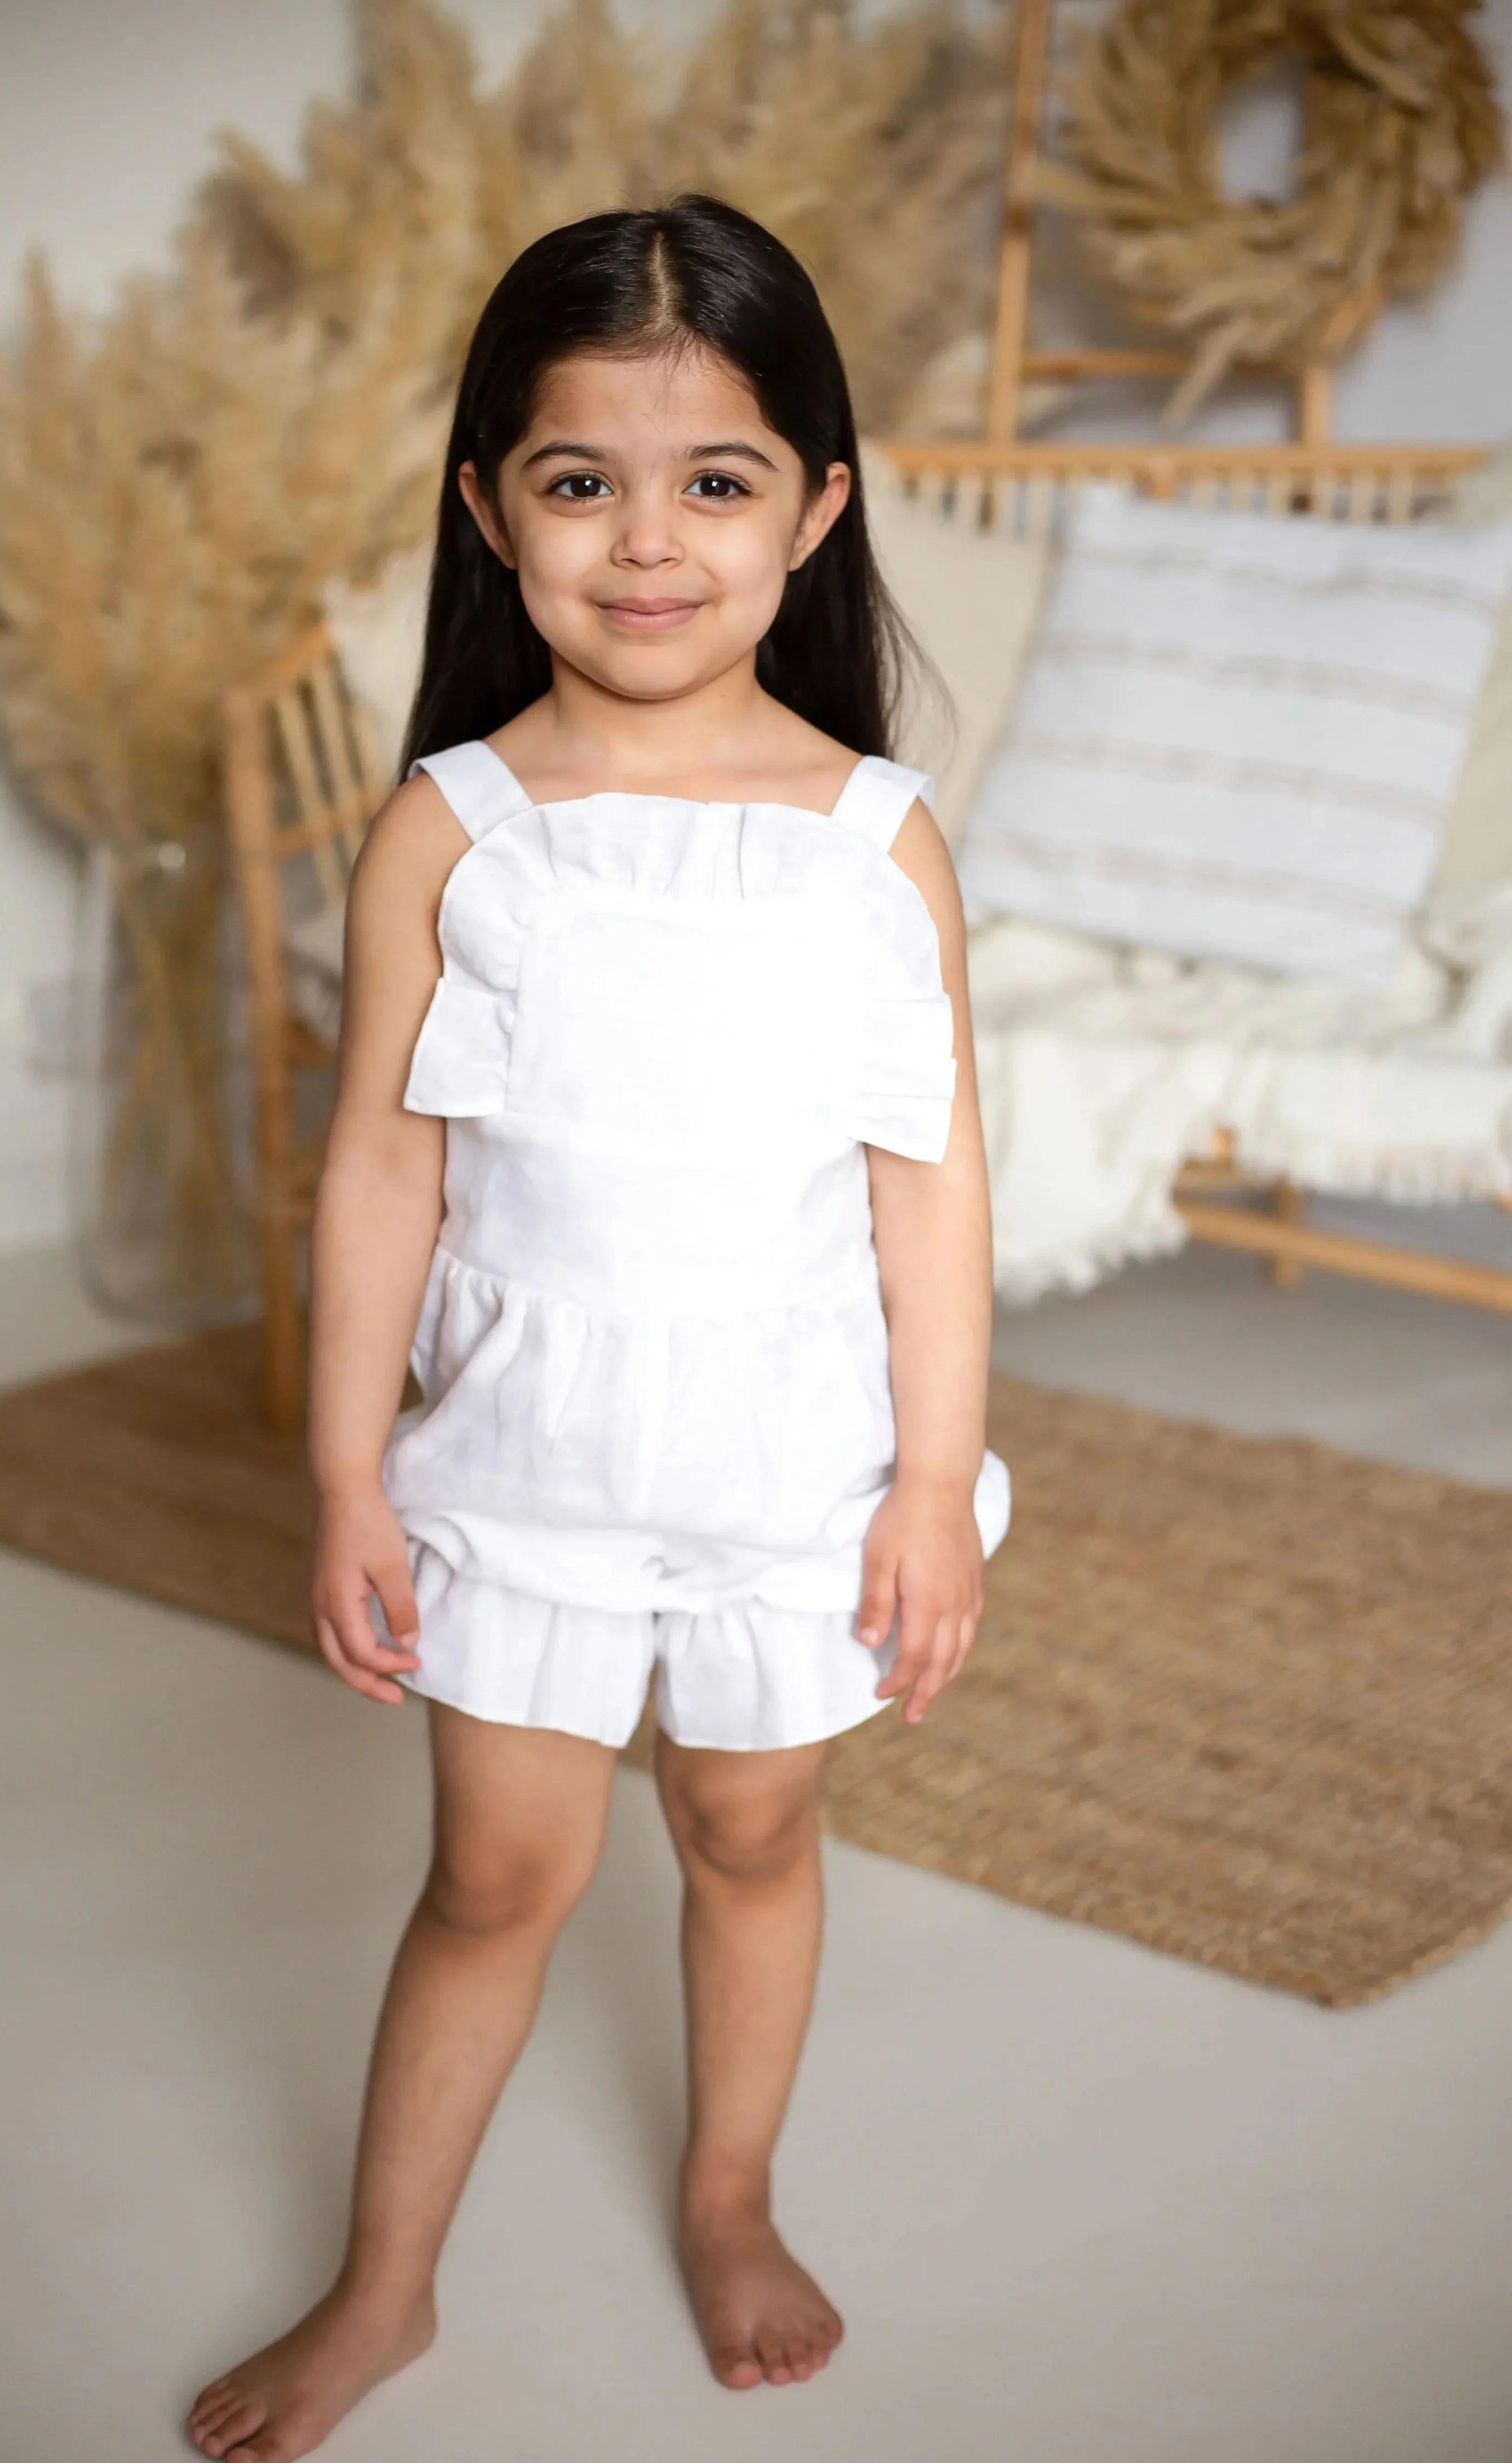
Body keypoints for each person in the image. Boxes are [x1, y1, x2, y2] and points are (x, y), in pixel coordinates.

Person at [187, 192, 1008, 2463]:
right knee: (494, 1874)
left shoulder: (870, 836)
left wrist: (930, 1484)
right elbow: (379, 1162)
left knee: (748, 1833)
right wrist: (352, 1465)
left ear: (815, 507)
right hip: (528, 1456)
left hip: (784, 1462)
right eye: (579, 478)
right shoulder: (451, 827)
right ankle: (382, 2278)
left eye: (715, 479)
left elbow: (929, 1182)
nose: (647, 539)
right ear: (488, 504)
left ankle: (726, 2187)